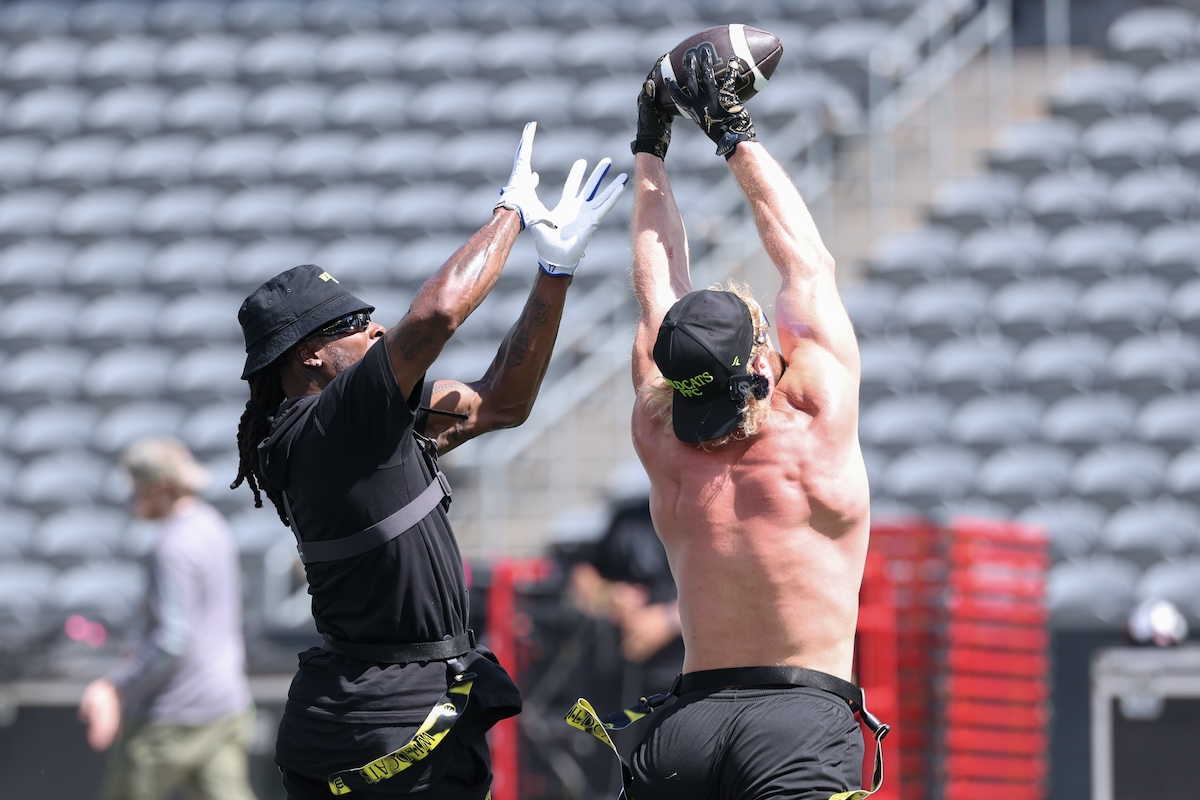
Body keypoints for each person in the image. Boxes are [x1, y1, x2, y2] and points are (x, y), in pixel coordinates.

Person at [231, 121, 625, 800]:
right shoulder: (321, 429)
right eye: (352, 325)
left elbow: (503, 403)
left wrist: (553, 274)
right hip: (379, 722)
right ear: (310, 356)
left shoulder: (365, 425)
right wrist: (511, 211)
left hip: (407, 705)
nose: (375, 328)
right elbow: (438, 314)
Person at [623, 47, 885, 800]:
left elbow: (657, 295)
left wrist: (650, 145)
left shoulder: (661, 438)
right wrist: (732, 131)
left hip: (686, 729)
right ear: (764, 359)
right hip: (799, 720)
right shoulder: (814, 420)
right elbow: (808, 265)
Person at [78, 436, 257, 800]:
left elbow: (173, 639)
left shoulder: (171, 546)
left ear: (159, 489)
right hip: (225, 707)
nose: (132, 498)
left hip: (168, 722)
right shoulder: (214, 525)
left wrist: (115, 688)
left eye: (136, 488)